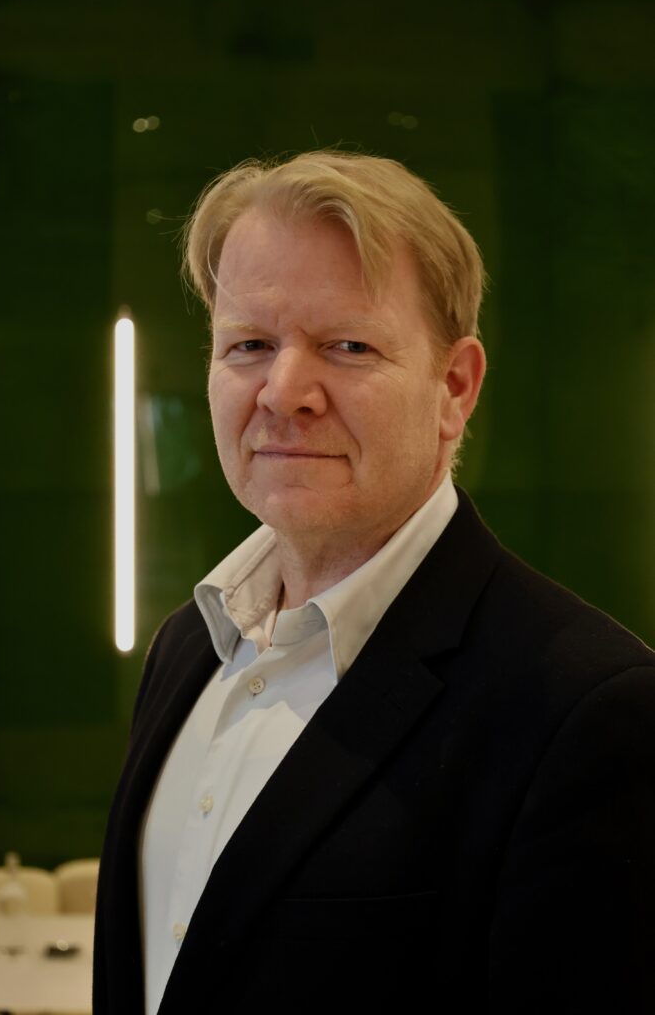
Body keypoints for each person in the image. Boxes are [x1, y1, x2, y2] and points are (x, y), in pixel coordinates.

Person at [93, 150, 655, 1014]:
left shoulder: (588, 711)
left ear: (455, 388)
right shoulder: (185, 649)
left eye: (347, 346)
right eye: (249, 345)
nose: (284, 392)